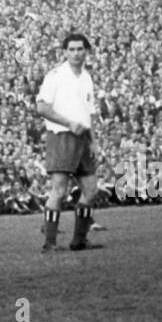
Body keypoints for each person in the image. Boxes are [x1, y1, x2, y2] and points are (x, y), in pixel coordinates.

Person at [36, 33, 105, 251]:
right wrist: (68, 123)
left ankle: (79, 239)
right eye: (72, 49)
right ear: (65, 52)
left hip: (83, 138)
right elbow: (42, 107)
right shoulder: (55, 76)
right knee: (59, 190)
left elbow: (89, 113)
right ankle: (50, 243)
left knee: (91, 190)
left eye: (80, 49)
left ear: (86, 51)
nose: (76, 53)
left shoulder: (87, 77)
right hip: (62, 136)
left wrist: (93, 141)